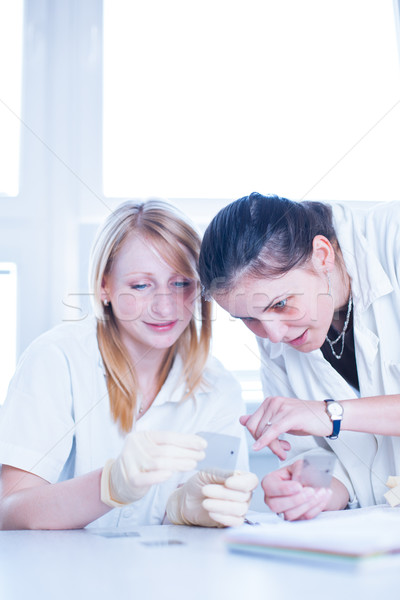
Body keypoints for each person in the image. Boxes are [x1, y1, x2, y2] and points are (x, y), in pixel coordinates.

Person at [0, 200, 257, 530]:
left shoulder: (219, 388)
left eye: (181, 284)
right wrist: (108, 485)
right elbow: (8, 512)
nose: (165, 307)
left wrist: (189, 512)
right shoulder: (56, 360)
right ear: (105, 286)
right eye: (140, 285)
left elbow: (220, 505)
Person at [199, 191, 400, 521]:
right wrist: (309, 491)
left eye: (280, 304)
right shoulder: (274, 332)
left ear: (322, 255)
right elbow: (335, 475)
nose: (274, 335)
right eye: (248, 319)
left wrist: (331, 414)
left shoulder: (393, 239)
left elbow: (327, 417)